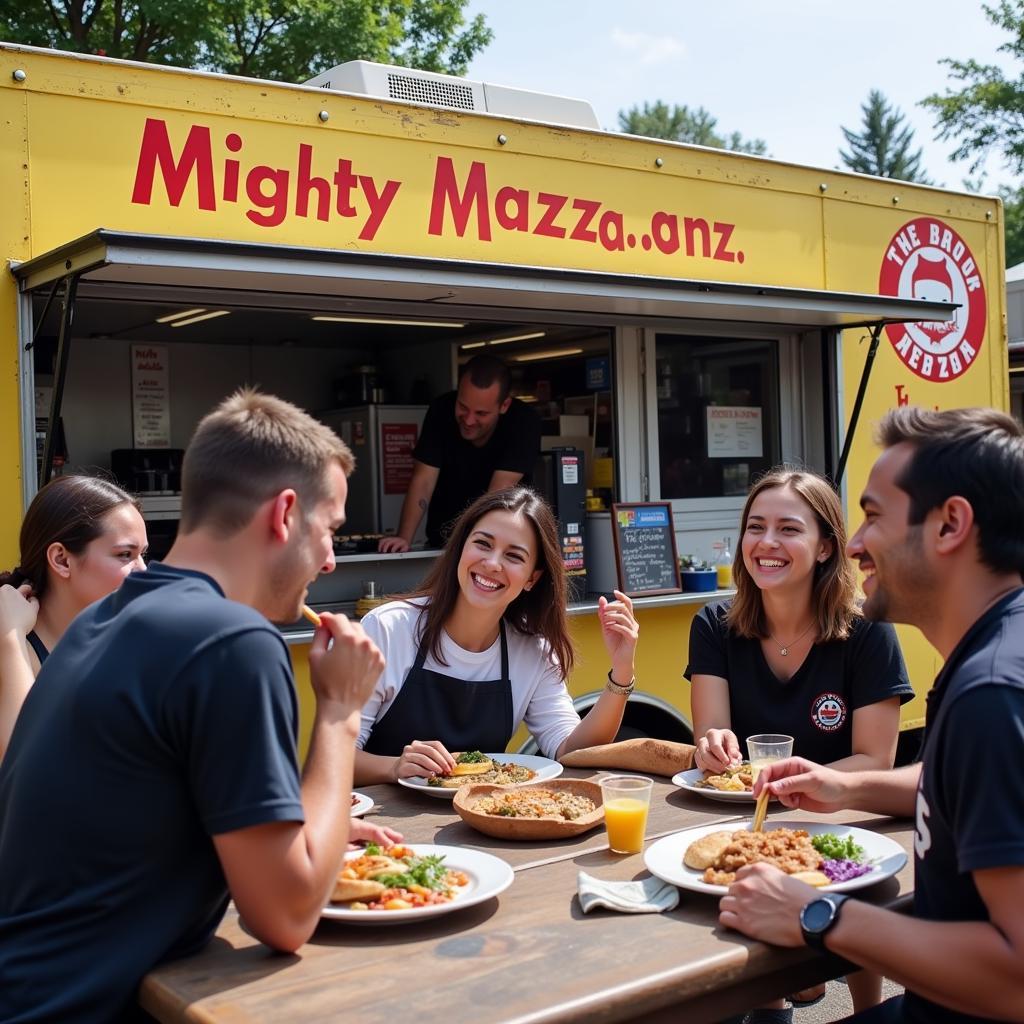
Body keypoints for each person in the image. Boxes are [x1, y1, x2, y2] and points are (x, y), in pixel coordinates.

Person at [0, 390, 398, 1024]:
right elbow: (286, 917)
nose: (328, 559)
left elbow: (137, 809)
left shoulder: (100, 619)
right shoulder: (232, 642)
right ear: (285, 513)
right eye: (330, 531)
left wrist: (299, 820)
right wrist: (341, 712)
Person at [718, 407, 1024, 1024]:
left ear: (950, 525)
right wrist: (846, 786)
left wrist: (819, 913)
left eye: (874, 516)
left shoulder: (993, 694)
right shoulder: (997, 656)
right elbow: (964, 786)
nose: (854, 543)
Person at [687, 468, 911, 1022]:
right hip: (751, 814)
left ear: (826, 545)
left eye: (789, 529)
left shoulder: (868, 630)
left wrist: (813, 784)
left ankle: (864, 1011)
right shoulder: (714, 624)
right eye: (755, 527)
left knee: (854, 886)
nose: (767, 543)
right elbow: (710, 741)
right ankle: (770, 1007)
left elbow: (875, 760)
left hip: (840, 812)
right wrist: (711, 747)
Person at [356, 486, 639, 783]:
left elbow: (571, 751)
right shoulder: (388, 629)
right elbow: (336, 756)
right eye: (482, 544)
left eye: (514, 556)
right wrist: (394, 768)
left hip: (483, 820)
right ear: (462, 547)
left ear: (533, 578)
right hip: (383, 822)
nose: (492, 564)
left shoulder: (533, 651)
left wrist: (621, 672)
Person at [0, 474, 148, 758]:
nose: (143, 572)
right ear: (61, 560)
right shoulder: (14, 650)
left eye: (143, 554)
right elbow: (24, 765)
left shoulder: (124, 645)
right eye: (125, 555)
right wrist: (10, 638)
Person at [378, 354, 542, 552]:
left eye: (481, 413)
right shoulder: (441, 410)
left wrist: (471, 548)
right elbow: (423, 481)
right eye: (463, 407)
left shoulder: (524, 422)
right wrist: (404, 538)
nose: (469, 420)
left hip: (501, 546)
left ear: (504, 405)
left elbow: (497, 493)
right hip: (443, 543)